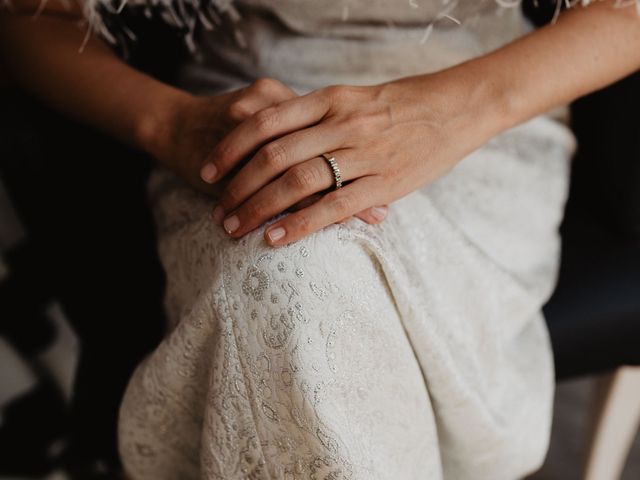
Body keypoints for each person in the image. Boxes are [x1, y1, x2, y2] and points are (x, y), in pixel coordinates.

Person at [1, 1, 639, 478]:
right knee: (283, 276)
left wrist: (446, 115)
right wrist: (171, 124)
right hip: (240, 106)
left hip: (484, 102)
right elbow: (31, 16)